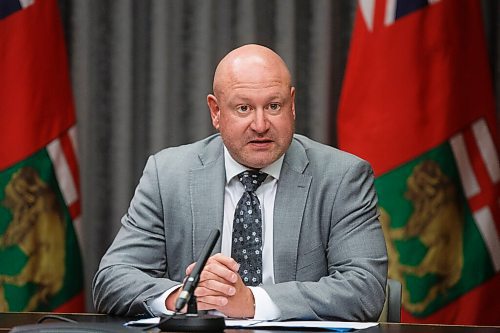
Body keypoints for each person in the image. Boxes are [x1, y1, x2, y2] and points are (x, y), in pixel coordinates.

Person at [92, 44, 388, 321]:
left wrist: (253, 303)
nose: (260, 125)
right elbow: (113, 278)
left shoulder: (342, 177)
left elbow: (365, 288)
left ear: (292, 105)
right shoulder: (168, 174)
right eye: (243, 109)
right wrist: (181, 297)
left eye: (273, 106)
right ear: (216, 112)